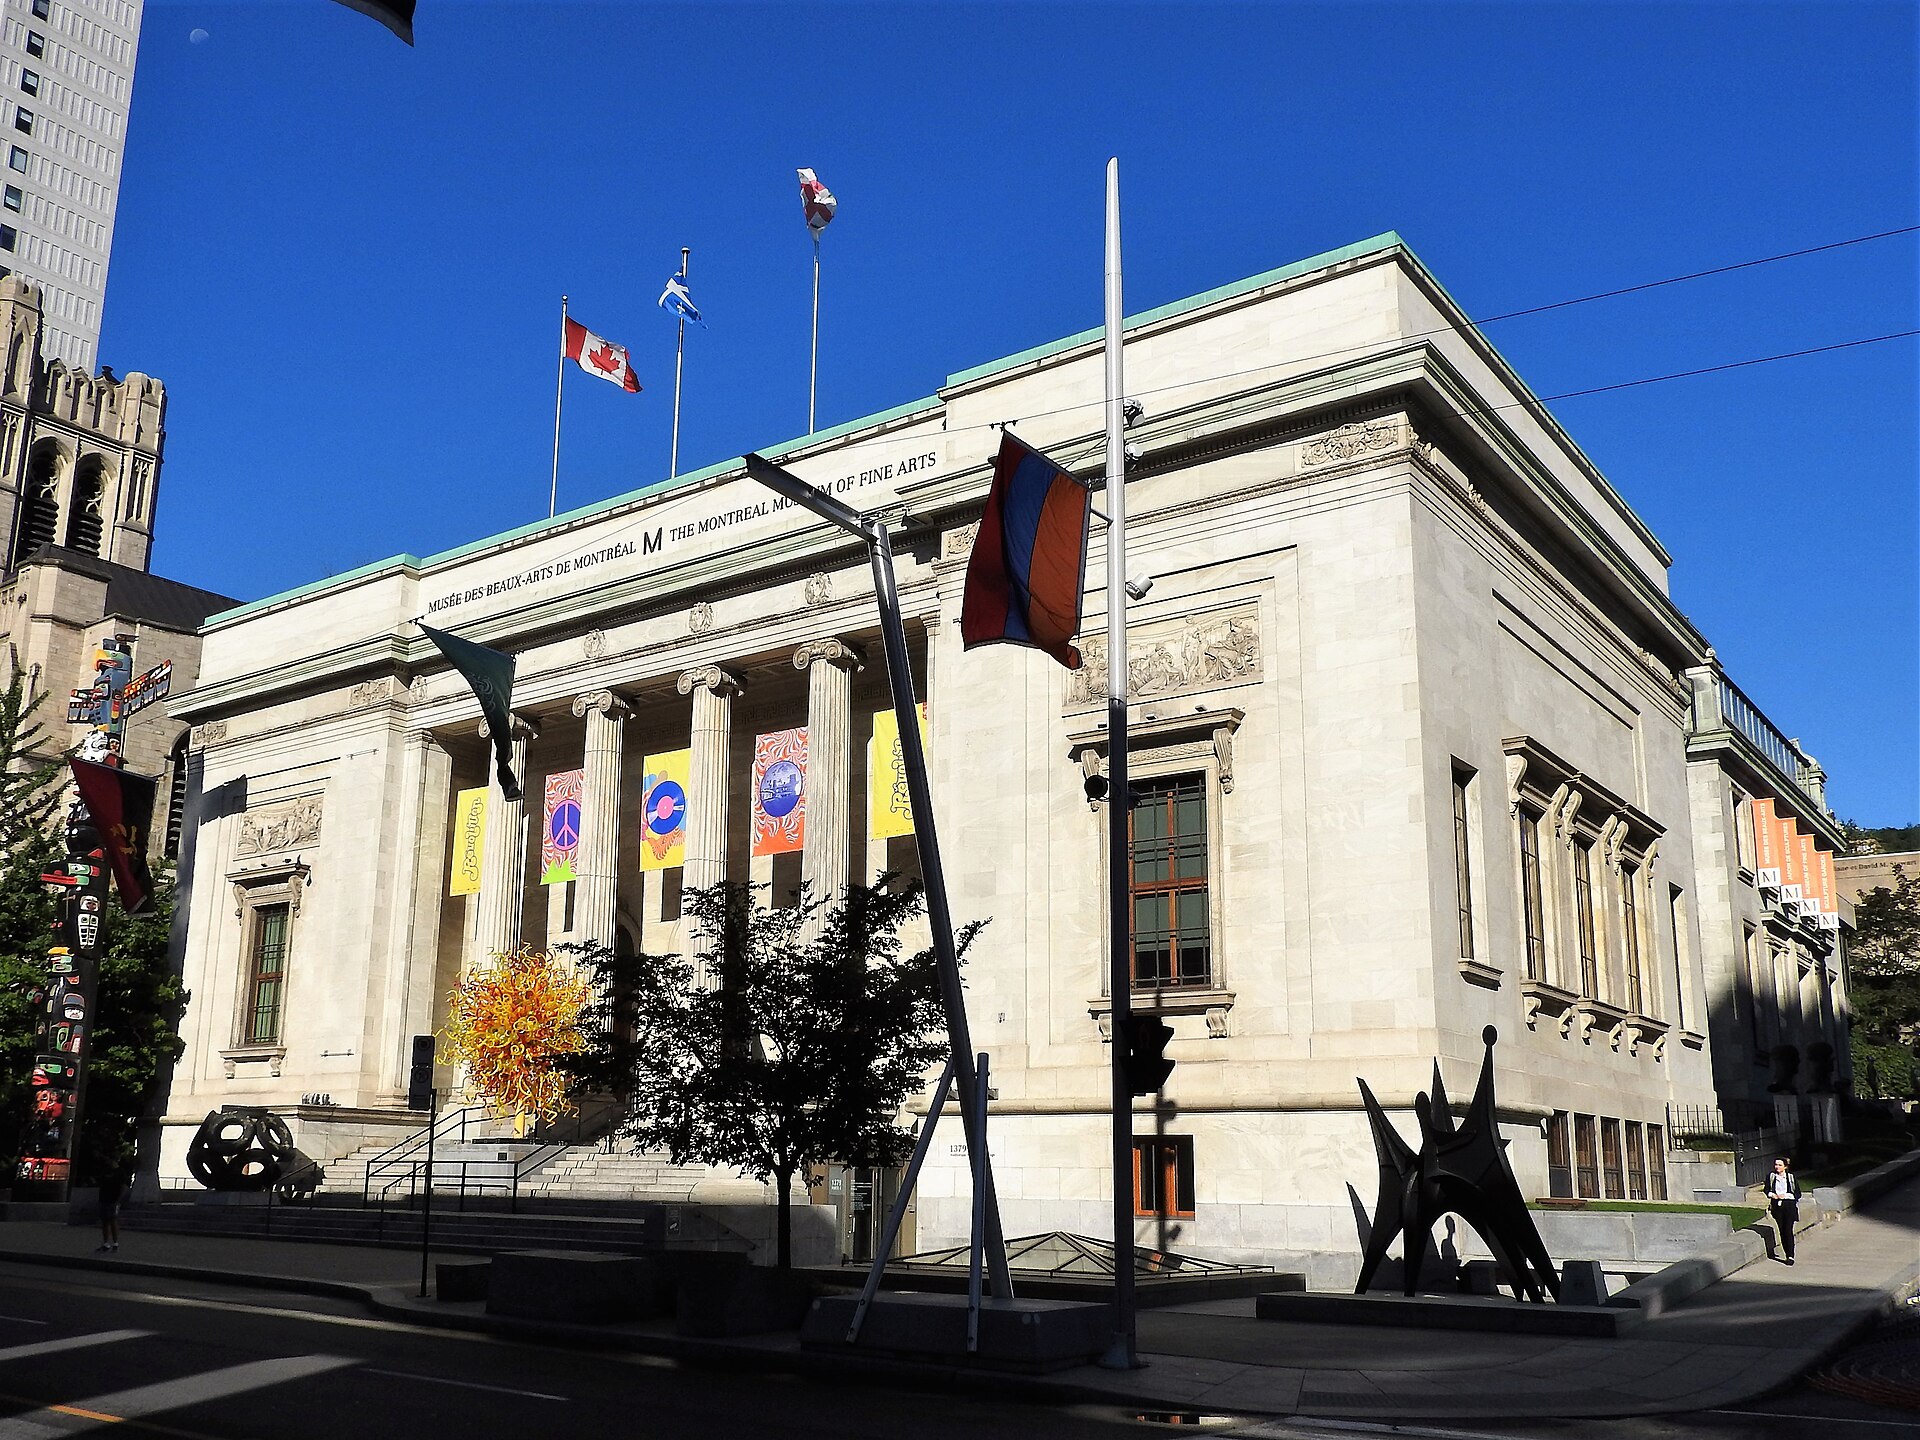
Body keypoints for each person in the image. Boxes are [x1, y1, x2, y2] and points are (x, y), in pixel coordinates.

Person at [1765, 1156, 1801, 1265]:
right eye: (1776, 1164)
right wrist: (1773, 1195)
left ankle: (1790, 1256)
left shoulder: (1790, 1177)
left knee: (1788, 1230)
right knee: (1782, 1230)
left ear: (1785, 1167)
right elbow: (1767, 1190)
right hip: (1777, 1207)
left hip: (1789, 1206)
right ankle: (1786, 1253)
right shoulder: (1771, 1176)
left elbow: (1797, 1194)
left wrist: (1785, 1196)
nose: (1777, 1167)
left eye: (1780, 1165)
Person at [95, 1154, 130, 1253]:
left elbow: (123, 1186)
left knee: (113, 1220)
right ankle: (106, 1243)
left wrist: (119, 1200)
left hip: (113, 1200)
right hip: (104, 1199)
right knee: (105, 1221)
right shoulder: (106, 1170)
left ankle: (115, 1243)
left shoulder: (120, 1172)